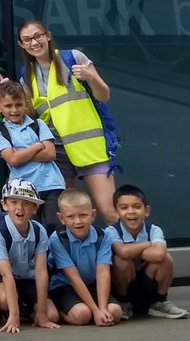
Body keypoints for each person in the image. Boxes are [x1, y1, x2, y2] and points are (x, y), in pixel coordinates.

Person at [16, 19, 118, 222]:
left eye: (38, 36)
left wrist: (91, 77)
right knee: (69, 216)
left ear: (47, 35)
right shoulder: (26, 75)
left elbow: (104, 95)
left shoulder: (73, 58)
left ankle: (127, 244)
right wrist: (13, 95)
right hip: (57, 151)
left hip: (89, 147)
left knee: (109, 212)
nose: (34, 43)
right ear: (21, 44)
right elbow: (32, 114)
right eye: (27, 39)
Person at [0, 178, 60, 334]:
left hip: (27, 278)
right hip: (2, 278)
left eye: (26, 203)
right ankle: (2, 308)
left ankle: (30, 312)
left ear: (35, 208)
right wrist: (14, 315)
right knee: (5, 300)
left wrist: (42, 313)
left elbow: (41, 272)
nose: (20, 208)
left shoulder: (39, 230)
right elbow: (6, 275)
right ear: (4, 204)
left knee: (52, 315)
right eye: (13, 202)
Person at [0, 79, 65, 230]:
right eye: (8, 106)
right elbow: (12, 160)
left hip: (52, 184)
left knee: (56, 227)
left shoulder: (38, 124)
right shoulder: (0, 133)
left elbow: (50, 154)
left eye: (18, 105)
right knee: (31, 229)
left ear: (26, 104)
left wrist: (20, 153)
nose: (14, 110)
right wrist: (37, 146)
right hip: (23, 191)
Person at [110, 184, 190, 319]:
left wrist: (131, 250)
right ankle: (124, 304)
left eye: (137, 206)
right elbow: (122, 252)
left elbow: (159, 254)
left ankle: (159, 302)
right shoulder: (111, 231)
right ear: (116, 212)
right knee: (120, 260)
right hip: (123, 290)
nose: (131, 211)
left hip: (146, 287)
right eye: (124, 208)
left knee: (166, 259)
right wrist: (148, 244)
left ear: (146, 211)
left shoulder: (153, 230)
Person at [47, 189, 122, 327]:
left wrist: (103, 308)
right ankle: (62, 314)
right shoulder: (57, 239)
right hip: (65, 285)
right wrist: (95, 310)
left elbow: (103, 272)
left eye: (83, 215)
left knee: (114, 312)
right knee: (83, 315)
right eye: (70, 216)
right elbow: (73, 278)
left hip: (92, 284)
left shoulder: (103, 236)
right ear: (61, 218)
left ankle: (98, 311)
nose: (78, 221)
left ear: (93, 215)